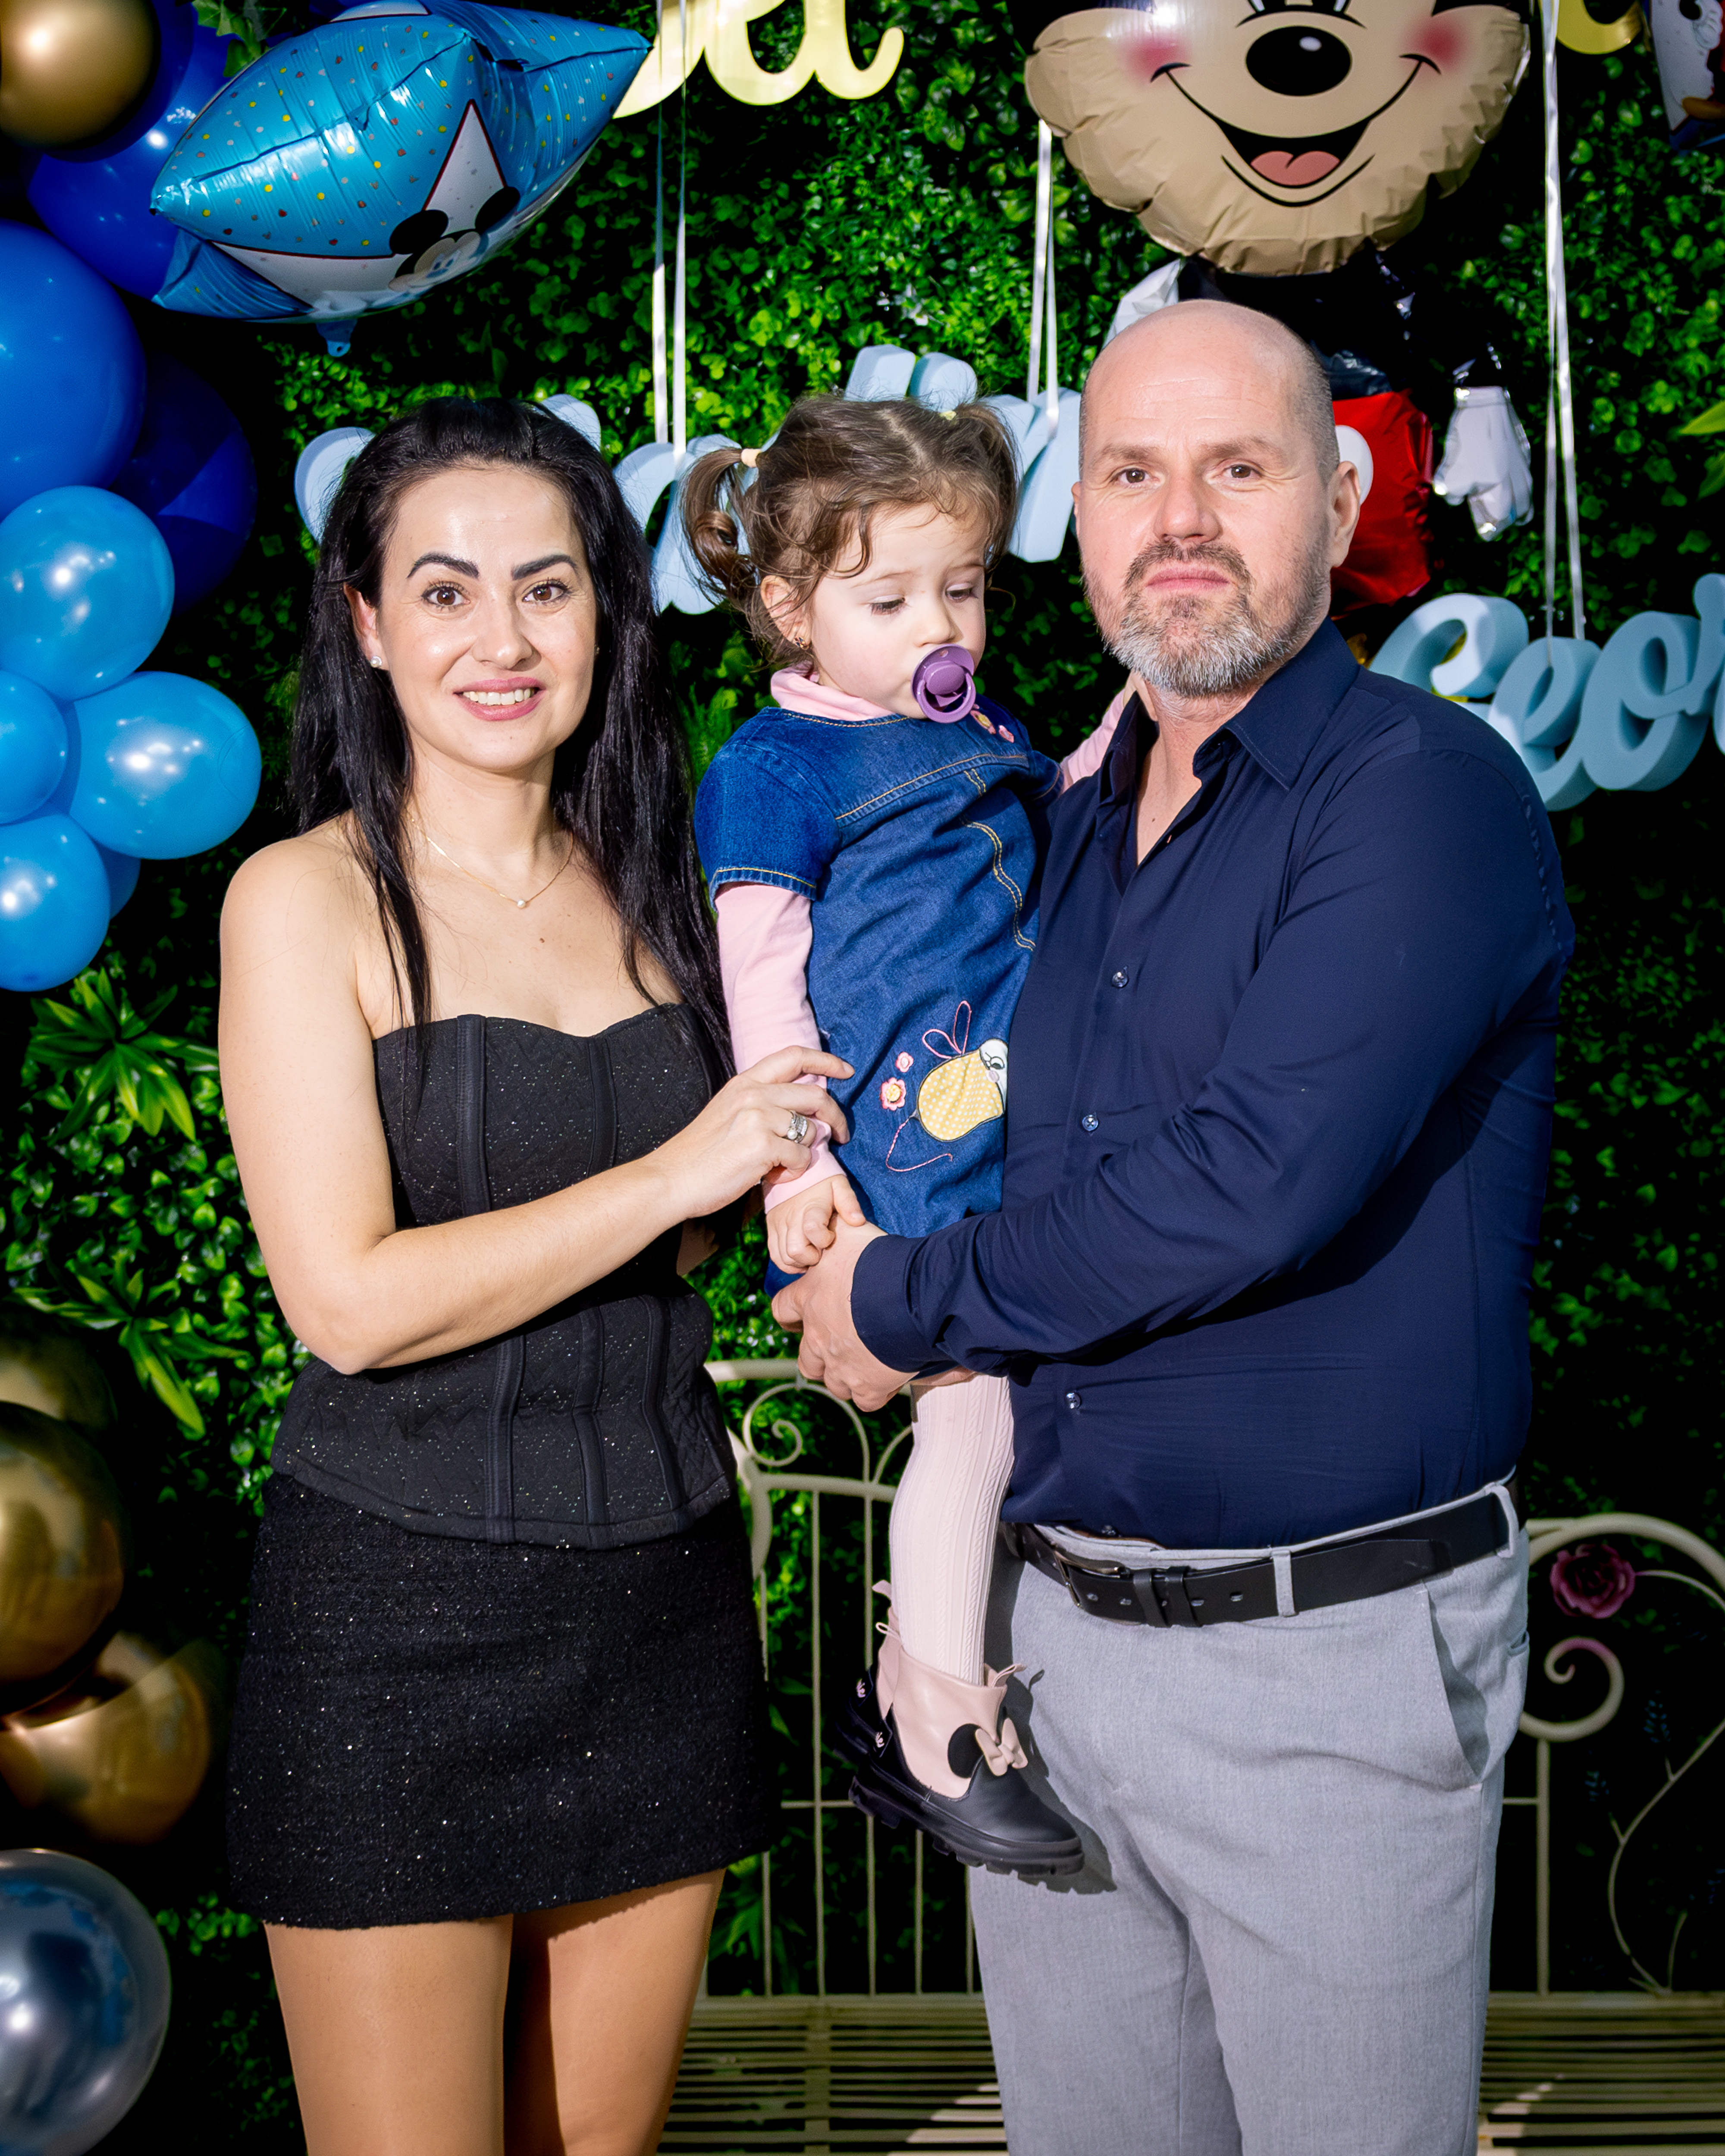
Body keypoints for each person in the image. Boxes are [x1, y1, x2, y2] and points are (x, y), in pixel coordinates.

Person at [775, 301, 1574, 2156]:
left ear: (1341, 499)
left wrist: (898, 1298)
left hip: (1327, 1671)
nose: (1182, 519)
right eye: (1133, 473)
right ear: (1080, 517)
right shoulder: (1044, 826)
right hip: (1050, 1660)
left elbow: (1250, 1178)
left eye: (1239, 467)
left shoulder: (1423, 794)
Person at [219, 397, 851, 2156]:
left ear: (605, 617)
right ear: (367, 623)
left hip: (661, 1610)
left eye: (546, 587)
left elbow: (746, 1203)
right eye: (445, 590)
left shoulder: (675, 888)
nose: (500, 638)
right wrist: (670, 1173)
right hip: (393, 1625)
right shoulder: (304, 901)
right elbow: (347, 1301)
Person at [682, 396, 1120, 1878]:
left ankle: (958, 1681)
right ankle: (930, 1712)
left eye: (965, 588)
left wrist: (1130, 725)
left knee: (1018, 1405)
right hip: (896, 1153)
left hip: (1014, 1125)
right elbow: (761, 986)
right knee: (973, 1406)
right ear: (790, 609)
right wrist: (795, 1175)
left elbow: (1053, 829)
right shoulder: (776, 769)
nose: (943, 627)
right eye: (890, 600)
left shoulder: (974, 724)